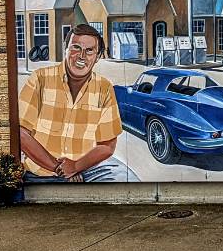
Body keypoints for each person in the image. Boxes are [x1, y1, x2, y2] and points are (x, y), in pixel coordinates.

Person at [18, 23, 138, 182]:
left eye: (89, 51)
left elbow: (107, 145)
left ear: (98, 57)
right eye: (76, 48)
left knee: (126, 179)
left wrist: (76, 166)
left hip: (86, 169)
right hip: (41, 172)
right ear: (66, 49)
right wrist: (59, 168)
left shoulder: (104, 88)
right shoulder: (40, 79)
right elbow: (21, 133)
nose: (82, 56)